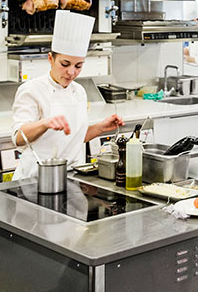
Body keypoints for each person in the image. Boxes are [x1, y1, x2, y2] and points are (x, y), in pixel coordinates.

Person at [11, 11, 125, 179]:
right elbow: (18, 139)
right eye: (65, 64)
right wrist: (45, 124)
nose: (71, 72)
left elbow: (74, 138)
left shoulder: (79, 91)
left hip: (71, 177)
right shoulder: (31, 90)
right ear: (50, 58)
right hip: (34, 179)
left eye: (78, 66)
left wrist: (100, 127)